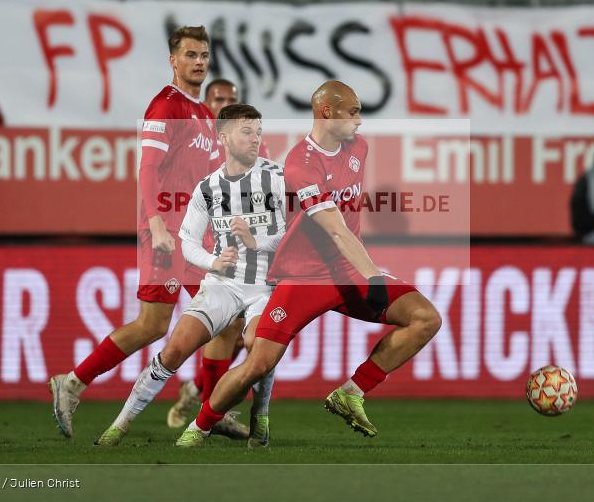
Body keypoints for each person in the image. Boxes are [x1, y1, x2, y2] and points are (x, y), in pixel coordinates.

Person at [175, 80, 442, 447]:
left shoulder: (358, 148)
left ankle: (352, 392)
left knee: (426, 318)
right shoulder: (300, 163)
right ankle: (199, 428)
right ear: (327, 112)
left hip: (347, 271)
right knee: (257, 364)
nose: (360, 121)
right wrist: (373, 275)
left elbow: (348, 227)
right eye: (354, 112)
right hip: (303, 278)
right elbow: (334, 229)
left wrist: (367, 273)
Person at [47, 25, 244, 439]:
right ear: (173, 61)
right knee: (154, 324)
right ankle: (72, 384)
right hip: (166, 234)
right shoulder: (165, 106)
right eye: (190, 55)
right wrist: (155, 224)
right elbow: (148, 169)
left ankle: (212, 408)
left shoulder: (205, 115)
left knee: (227, 323)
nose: (199, 62)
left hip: (194, 235)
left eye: (203, 55)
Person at [96, 104, 284, 448]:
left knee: (259, 347)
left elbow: (290, 233)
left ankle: (261, 417)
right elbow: (187, 243)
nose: (256, 138)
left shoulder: (276, 178)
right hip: (223, 284)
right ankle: (118, 427)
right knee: (174, 350)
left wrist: (257, 241)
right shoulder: (208, 188)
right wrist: (213, 262)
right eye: (247, 131)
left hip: (265, 288)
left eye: (258, 131)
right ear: (223, 138)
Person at [166, 78, 268, 429]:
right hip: (200, 249)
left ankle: (199, 394)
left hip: (233, 251)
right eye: (218, 98)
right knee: (226, 328)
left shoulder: (244, 146)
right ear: (204, 105)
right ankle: (210, 407)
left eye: (231, 100)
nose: (224, 104)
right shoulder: (190, 142)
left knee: (237, 330)